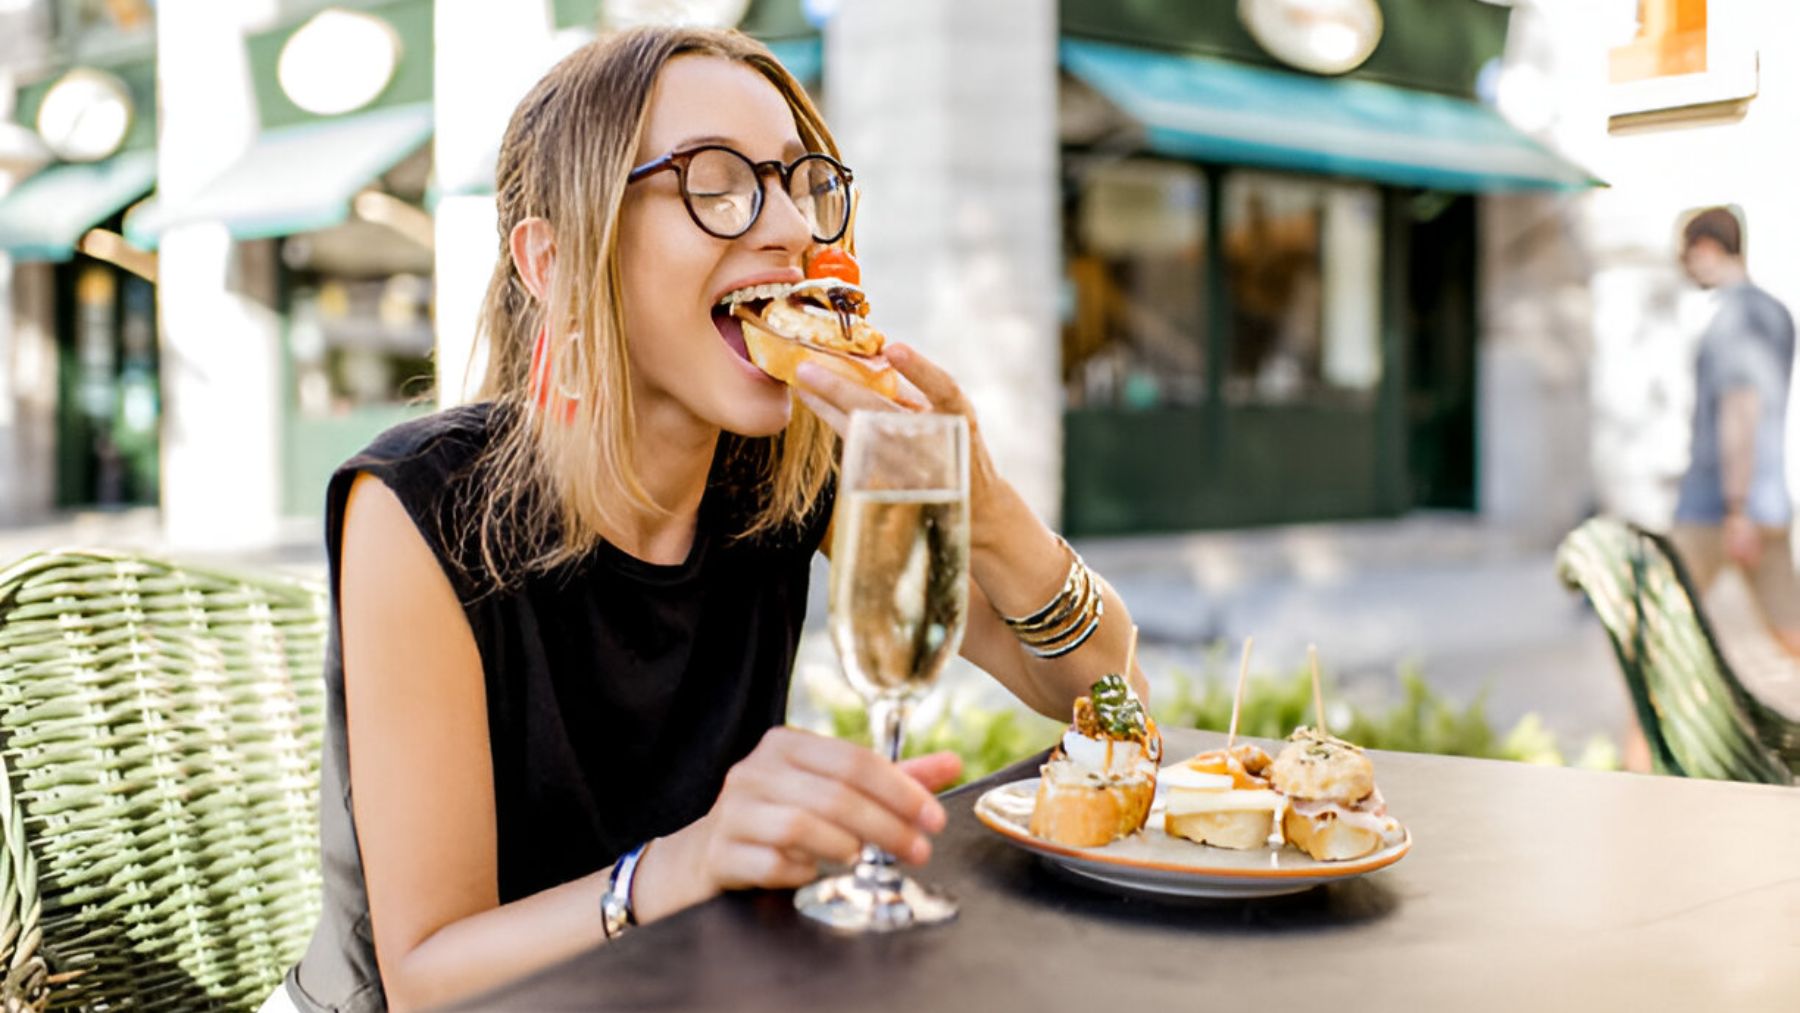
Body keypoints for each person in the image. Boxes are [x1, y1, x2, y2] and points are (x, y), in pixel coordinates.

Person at [276, 25, 1147, 1013]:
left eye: (798, 182)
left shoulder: (780, 478)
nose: (788, 226)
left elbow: (1107, 696)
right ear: (553, 259)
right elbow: (425, 972)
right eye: (718, 183)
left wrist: (980, 505)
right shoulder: (418, 506)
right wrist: (682, 866)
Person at [1671, 206, 1800, 658]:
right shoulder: (1776, 312)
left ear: (1705, 249)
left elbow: (1740, 411)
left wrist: (1736, 509)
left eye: (1686, 256)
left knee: (1657, 630)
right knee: (1791, 632)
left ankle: (1639, 732)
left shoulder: (1734, 319)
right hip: (1766, 503)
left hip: (1717, 508)